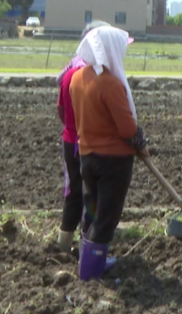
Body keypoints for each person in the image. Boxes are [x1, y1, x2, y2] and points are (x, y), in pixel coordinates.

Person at [70, 26, 148, 281]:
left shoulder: (77, 78)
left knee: (91, 210)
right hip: (113, 161)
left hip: (87, 156)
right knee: (107, 215)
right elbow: (127, 127)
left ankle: (89, 260)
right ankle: (90, 271)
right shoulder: (111, 85)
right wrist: (141, 144)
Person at [55, 21, 115, 253]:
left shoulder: (69, 73)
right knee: (92, 196)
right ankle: (88, 247)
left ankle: (64, 244)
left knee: (74, 193)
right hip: (91, 144)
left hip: (70, 140)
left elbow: (61, 109)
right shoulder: (96, 75)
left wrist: (72, 127)